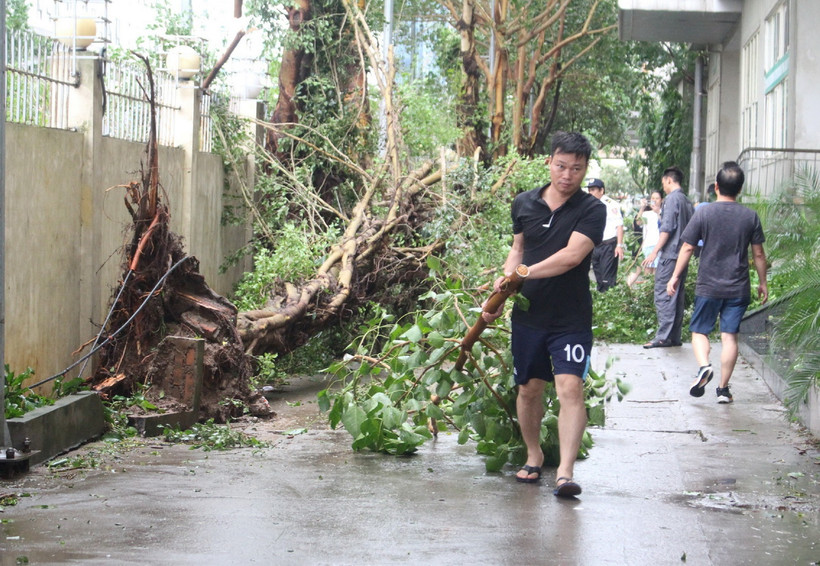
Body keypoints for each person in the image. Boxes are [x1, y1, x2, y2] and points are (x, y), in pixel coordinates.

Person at [484, 131, 605, 497]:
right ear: (549, 163)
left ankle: (565, 472)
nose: (567, 175)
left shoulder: (592, 210)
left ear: (585, 171)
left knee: (571, 387)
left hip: (571, 318)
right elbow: (517, 250)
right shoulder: (523, 203)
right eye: (561, 166)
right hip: (529, 314)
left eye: (577, 169)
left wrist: (524, 274)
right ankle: (534, 455)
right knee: (528, 388)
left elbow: (572, 256)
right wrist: (500, 293)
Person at [666, 162, 768, 403]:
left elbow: (688, 247)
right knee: (729, 336)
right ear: (740, 189)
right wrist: (763, 282)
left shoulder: (704, 212)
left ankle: (704, 367)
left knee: (699, 331)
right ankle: (723, 390)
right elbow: (759, 255)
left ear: (716, 186)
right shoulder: (750, 216)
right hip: (738, 287)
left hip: (709, 286)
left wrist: (675, 276)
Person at [641, 166, 694, 348]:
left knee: (663, 293)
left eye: (664, 183)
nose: (663, 187)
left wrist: (655, 251)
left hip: (670, 255)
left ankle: (662, 336)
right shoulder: (686, 201)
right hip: (683, 256)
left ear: (669, 180)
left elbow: (667, 228)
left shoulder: (671, 199)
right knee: (676, 295)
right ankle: (674, 337)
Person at [586, 179, 624, 292]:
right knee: (599, 278)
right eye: (589, 190)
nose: (590, 193)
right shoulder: (589, 206)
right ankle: (602, 299)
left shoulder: (611, 205)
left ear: (601, 190)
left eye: (593, 190)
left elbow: (619, 225)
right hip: (595, 246)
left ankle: (610, 301)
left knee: (608, 279)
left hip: (608, 245)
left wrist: (619, 245)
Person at [627, 190, 662, 287]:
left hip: (658, 246)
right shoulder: (646, 213)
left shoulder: (663, 212)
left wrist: (658, 212)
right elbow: (638, 222)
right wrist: (642, 207)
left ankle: (652, 294)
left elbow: (665, 225)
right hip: (647, 246)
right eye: (652, 198)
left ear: (661, 200)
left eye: (657, 198)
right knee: (647, 272)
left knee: (656, 273)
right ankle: (647, 292)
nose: (654, 200)